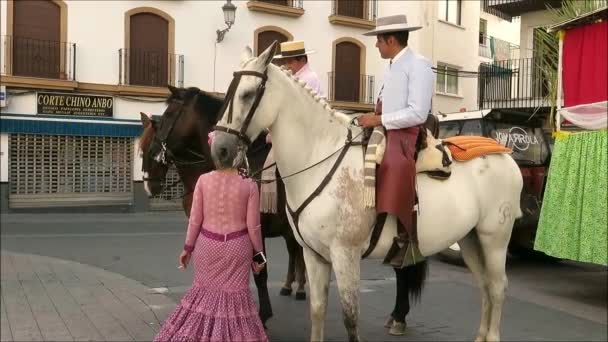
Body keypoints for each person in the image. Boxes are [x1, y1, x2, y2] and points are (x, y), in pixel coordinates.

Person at [357, 14, 435, 335]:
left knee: (396, 166)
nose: (375, 44)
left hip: (407, 134)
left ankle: (406, 237)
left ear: (391, 40)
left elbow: (417, 111)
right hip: (387, 128)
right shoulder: (390, 66)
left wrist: (379, 121)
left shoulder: (419, 64)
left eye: (378, 39)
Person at [154, 137, 268, 342]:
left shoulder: (203, 181)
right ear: (236, 155)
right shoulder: (249, 185)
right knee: (237, 299)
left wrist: (187, 248)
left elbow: (195, 220)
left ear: (213, 155)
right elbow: (254, 226)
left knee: (204, 295)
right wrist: (259, 256)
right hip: (237, 247)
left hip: (207, 246)